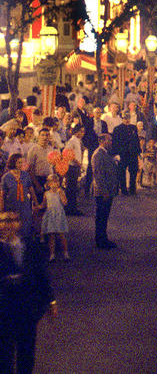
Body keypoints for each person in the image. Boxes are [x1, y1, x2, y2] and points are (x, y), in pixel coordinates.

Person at [0, 211, 56, 374]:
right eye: (3, 221)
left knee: (27, 351)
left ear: (19, 224)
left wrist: (51, 300)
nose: (7, 225)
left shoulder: (30, 246)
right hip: (3, 309)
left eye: (12, 220)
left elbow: (42, 274)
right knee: (4, 353)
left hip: (27, 309)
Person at [91, 133, 119, 250]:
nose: (111, 142)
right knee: (101, 217)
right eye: (109, 140)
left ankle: (103, 238)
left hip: (107, 190)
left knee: (104, 216)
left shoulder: (105, 153)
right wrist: (105, 192)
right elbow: (98, 175)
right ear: (102, 141)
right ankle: (101, 241)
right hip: (103, 192)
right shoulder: (98, 154)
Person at [0, 154, 37, 240]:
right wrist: (1, 210)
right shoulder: (6, 177)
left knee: (25, 229)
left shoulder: (25, 175)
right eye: (19, 162)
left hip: (25, 206)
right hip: (12, 207)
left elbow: (31, 190)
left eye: (22, 162)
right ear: (13, 163)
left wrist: (36, 203)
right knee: (13, 231)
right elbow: (2, 195)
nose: (21, 164)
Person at [40, 174, 69, 262]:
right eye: (53, 182)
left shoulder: (60, 192)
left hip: (58, 214)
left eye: (57, 182)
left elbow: (65, 203)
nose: (55, 184)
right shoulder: (46, 194)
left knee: (61, 235)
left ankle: (65, 252)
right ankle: (52, 254)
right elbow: (44, 204)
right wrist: (38, 207)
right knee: (51, 235)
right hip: (50, 215)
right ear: (49, 184)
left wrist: (61, 195)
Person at [111, 113, 141, 196]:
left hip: (132, 154)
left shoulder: (133, 127)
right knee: (121, 172)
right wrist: (116, 153)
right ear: (122, 118)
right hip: (123, 153)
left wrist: (138, 151)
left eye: (128, 118)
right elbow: (115, 142)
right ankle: (123, 189)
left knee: (133, 171)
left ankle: (132, 188)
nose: (127, 120)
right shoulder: (117, 129)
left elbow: (136, 140)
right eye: (125, 118)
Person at [62, 124, 84, 216]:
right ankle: (70, 208)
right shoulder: (72, 140)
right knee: (71, 188)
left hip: (76, 167)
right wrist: (77, 162)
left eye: (83, 131)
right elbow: (67, 152)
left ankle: (73, 207)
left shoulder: (78, 140)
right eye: (80, 131)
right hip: (71, 167)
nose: (82, 133)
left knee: (74, 188)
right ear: (76, 131)